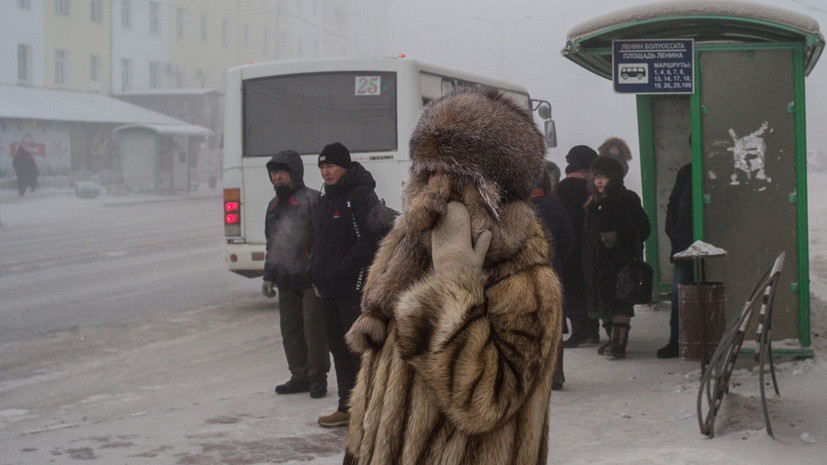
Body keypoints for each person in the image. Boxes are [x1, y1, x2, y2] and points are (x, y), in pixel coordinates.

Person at [343, 88, 562, 465]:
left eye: (448, 171)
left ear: (494, 186)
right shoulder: (408, 252)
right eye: (425, 170)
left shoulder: (528, 282)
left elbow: (486, 402)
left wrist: (455, 285)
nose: (432, 184)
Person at [311, 142, 381, 428]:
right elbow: (318, 241)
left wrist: (346, 268)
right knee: (338, 348)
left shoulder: (360, 195)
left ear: (345, 166)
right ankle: (347, 407)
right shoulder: (326, 199)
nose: (326, 172)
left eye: (331, 166)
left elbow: (371, 240)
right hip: (328, 288)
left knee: (358, 350)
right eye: (322, 167)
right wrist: (315, 269)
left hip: (353, 288)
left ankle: (369, 408)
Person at [262, 149, 330, 399]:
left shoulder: (312, 200)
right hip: (285, 279)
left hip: (309, 279)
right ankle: (299, 376)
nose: (277, 178)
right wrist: (269, 275)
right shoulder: (273, 206)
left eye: (281, 172)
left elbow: (323, 241)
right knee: (290, 331)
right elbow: (272, 243)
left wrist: (320, 275)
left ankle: (317, 377)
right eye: (273, 174)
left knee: (314, 331)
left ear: (295, 173)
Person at [583, 155, 650, 360]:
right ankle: (613, 340)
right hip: (599, 262)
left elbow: (643, 228)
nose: (599, 182)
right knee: (604, 303)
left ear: (614, 177)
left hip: (621, 261)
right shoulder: (593, 202)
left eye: (604, 177)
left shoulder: (627, 198)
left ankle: (618, 344)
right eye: (596, 177)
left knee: (621, 301)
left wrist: (618, 236)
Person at [531, 165, 574, 390]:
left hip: (525, 277)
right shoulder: (556, 206)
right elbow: (568, 239)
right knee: (553, 324)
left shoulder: (517, 209)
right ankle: (557, 371)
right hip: (552, 273)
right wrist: (557, 262)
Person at [556, 145, 600, 347]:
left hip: (571, 246)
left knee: (573, 290)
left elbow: (560, 217)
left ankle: (580, 332)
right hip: (594, 244)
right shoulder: (597, 186)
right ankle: (593, 330)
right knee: (591, 286)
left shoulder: (564, 187)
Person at [657, 162, 694, 359]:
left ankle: (686, 339)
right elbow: (674, 203)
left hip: (698, 241)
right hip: (685, 244)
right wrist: (674, 231)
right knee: (680, 294)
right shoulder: (687, 172)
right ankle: (677, 340)